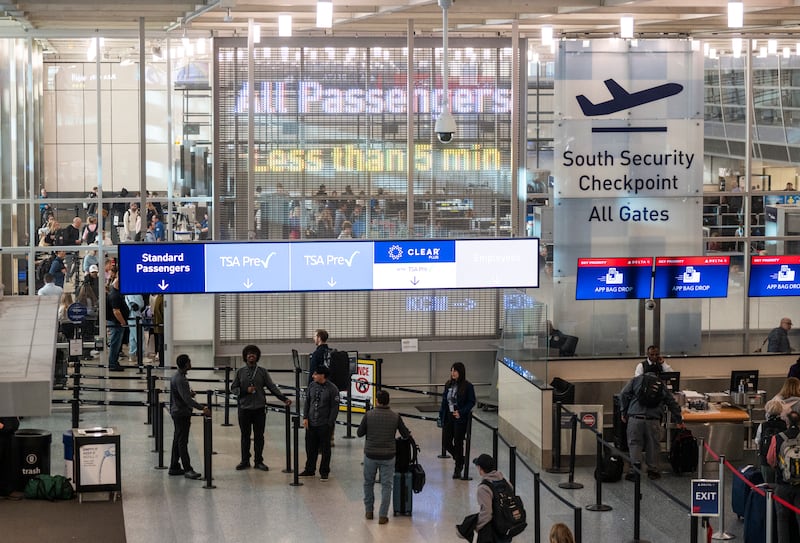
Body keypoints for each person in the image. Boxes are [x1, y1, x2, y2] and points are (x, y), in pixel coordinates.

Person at [231, 345, 292, 471]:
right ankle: (245, 460)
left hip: (259, 409)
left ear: (257, 356)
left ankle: (259, 461)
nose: (251, 355)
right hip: (244, 409)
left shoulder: (262, 372)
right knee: (245, 436)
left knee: (259, 436)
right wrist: (245, 390)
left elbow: (272, 387)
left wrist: (283, 398)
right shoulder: (240, 372)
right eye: (249, 354)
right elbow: (233, 388)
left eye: (253, 353)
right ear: (245, 356)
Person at [357, 389, 411, 525]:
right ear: (388, 401)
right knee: (386, 486)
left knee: (368, 483)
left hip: (370, 455)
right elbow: (405, 435)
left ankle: (369, 512)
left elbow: (359, 433)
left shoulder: (369, 415)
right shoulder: (395, 416)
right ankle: (382, 515)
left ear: (377, 401)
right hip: (388, 456)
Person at [619, 369, 685, 480]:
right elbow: (672, 402)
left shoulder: (636, 380)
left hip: (635, 418)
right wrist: (678, 420)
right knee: (653, 445)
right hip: (653, 420)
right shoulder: (661, 385)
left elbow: (623, 394)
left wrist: (623, 411)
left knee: (635, 443)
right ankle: (653, 471)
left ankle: (635, 471)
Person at [168, 354, 210, 479]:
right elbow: (187, 400)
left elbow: (182, 395)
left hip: (177, 412)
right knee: (182, 442)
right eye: (189, 362)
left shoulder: (177, 377)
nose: (191, 363)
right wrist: (203, 408)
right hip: (181, 414)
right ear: (186, 364)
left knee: (177, 440)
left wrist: (188, 393)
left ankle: (174, 466)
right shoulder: (181, 379)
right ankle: (188, 469)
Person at [299, 365, 340, 481]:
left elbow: (334, 408)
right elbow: (307, 402)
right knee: (310, 447)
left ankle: (324, 471)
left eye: (315, 374)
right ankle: (310, 469)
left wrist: (329, 423)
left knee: (325, 449)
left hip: (324, 424)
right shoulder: (312, 386)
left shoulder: (333, 389)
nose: (313, 376)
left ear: (322, 375)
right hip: (311, 423)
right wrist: (305, 417)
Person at [460, 453, 513, 543]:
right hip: (505, 527)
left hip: (491, 531)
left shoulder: (484, 488)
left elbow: (487, 512)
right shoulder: (505, 481)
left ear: (481, 469)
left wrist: (477, 527)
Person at [766, 410, 800, 543]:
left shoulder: (778, 438)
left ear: (787, 422)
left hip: (782, 484)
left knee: (782, 518)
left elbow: (771, 460)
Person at [440, 361, 476, 479]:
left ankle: (458, 468)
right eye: (451, 370)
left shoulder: (468, 386)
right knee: (446, 442)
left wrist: (461, 412)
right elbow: (444, 401)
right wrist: (441, 415)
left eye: (455, 371)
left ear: (460, 372)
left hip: (459, 418)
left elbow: (471, 402)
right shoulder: (448, 384)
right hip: (449, 417)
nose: (452, 373)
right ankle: (460, 459)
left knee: (458, 442)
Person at [756, 399, 787, 484]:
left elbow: (758, 440)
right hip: (781, 460)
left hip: (765, 460)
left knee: (767, 484)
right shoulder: (784, 425)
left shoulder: (763, 425)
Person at [105, 273, 129, 371]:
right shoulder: (114, 295)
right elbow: (116, 311)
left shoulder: (116, 293)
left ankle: (114, 361)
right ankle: (113, 363)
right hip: (116, 323)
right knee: (115, 343)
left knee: (116, 343)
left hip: (116, 322)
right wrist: (123, 322)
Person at [0, 416, 21, 497]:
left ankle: (5, 489)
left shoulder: (8, 408)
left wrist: (4, 426)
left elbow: (15, 424)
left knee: (6, 463)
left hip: (7, 439)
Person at [125, 293, 145, 361]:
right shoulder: (134, 294)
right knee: (139, 336)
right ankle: (141, 356)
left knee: (133, 337)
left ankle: (132, 355)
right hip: (135, 317)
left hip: (131, 317)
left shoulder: (128, 294)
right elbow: (141, 304)